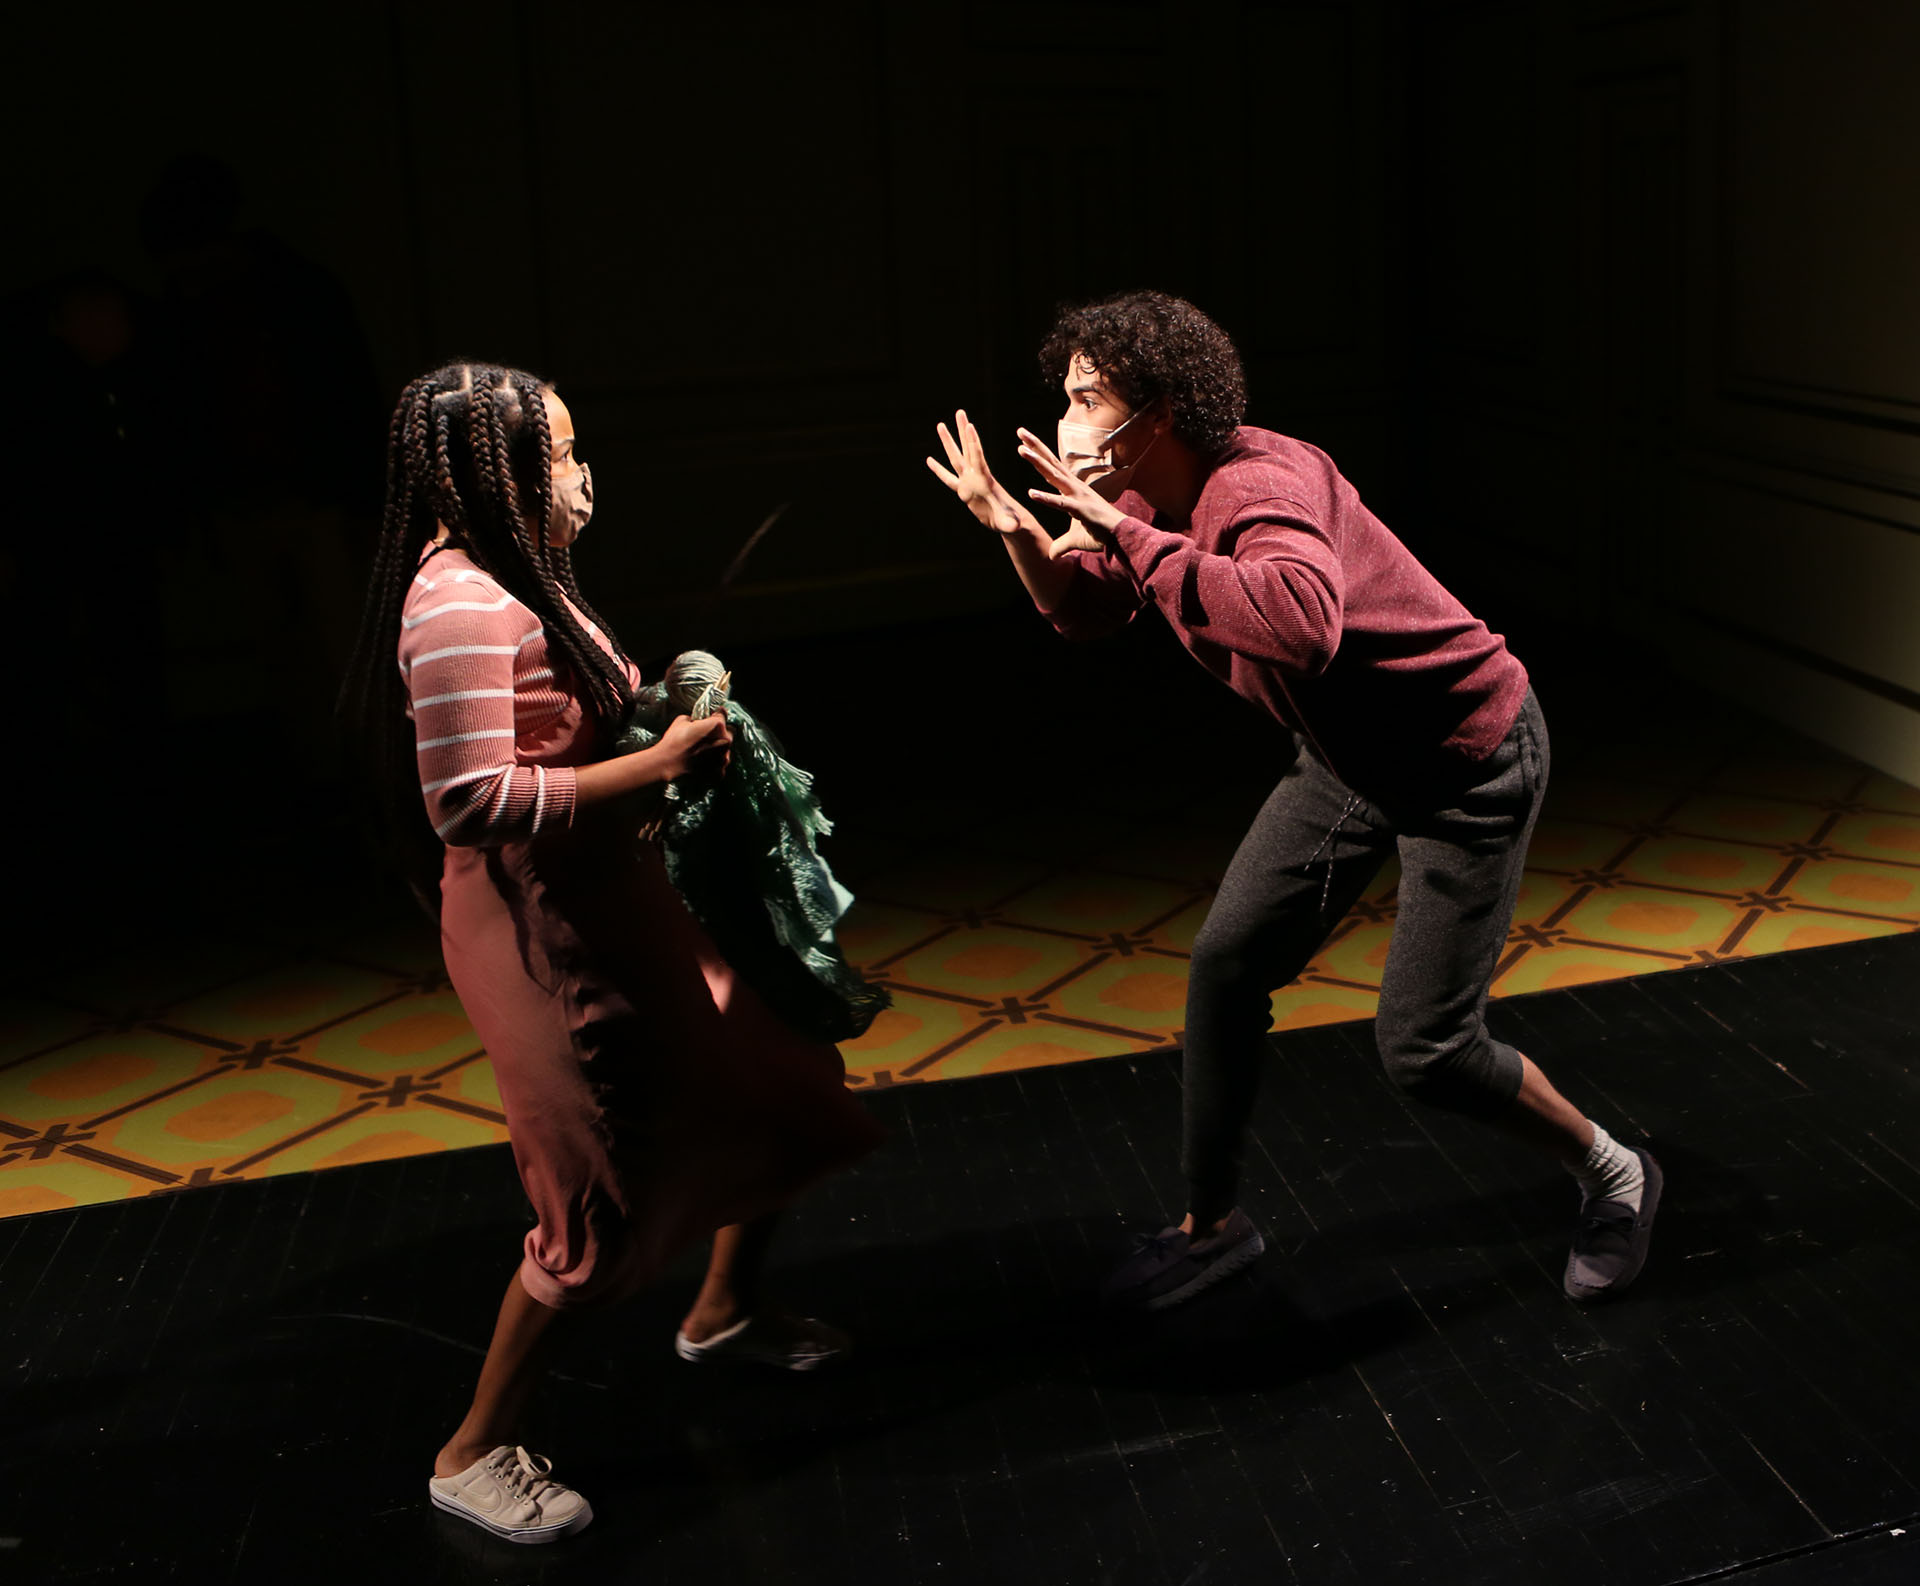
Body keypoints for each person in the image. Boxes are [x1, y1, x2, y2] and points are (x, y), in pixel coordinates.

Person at [926, 291, 1660, 1312]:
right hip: (1349, 760)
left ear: (1158, 413)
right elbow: (1088, 607)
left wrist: (1121, 531)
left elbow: (1301, 624)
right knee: (1227, 966)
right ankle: (1211, 1225)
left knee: (1427, 1049)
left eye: (1089, 398)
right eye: (1068, 393)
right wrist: (1013, 529)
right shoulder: (1147, 496)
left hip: (1466, 759)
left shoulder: (1258, 481)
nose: (1068, 417)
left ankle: (1617, 1173)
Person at [341, 362, 881, 1543]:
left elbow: (563, 716)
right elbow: (467, 801)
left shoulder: (520, 572)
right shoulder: (458, 603)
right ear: (492, 474)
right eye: (564, 456)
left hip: (614, 892)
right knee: (594, 1190)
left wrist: (658, 705)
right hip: (544, 930)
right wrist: (656, 763)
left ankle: (724, 1309)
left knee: (778, 1079)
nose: (584, 477)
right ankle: (472, 1450)